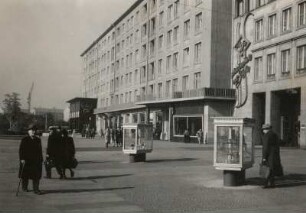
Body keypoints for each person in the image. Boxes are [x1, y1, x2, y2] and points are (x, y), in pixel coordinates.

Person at [18, 124, 43, 195]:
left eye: (34, 130)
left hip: (35, 161)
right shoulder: (25, 139)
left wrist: (41, 159)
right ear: (28, 131)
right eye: (31, 130)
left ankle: (36, 189)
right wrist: (22, 159)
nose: (33, 132)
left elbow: (39, 150)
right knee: (25, 175)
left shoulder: (38, 140)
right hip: (26, 160)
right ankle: (24, 187)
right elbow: (21, 150)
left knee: (36, 176)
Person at [261, 123, 283, 188]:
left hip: (268, 156)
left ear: (266, 129)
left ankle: (265, 184)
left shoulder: (266, 136)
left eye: (263, 129)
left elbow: (266, 147)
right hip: (274, 155)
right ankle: (272, 183)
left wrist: (264, 157)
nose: (263, 131)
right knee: (272, 170)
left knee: (266, 169)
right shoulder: (275, 135)